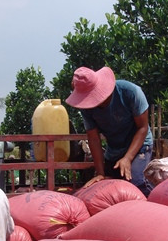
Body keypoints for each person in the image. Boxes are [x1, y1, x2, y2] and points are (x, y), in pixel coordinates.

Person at [65, 66, 153, 196]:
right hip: (114, 150)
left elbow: (142, 127)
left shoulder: (130, 92)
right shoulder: (86, 108)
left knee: (135, 182)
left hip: (139, 145)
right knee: (107, 187)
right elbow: (94, 138)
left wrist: (127, 158)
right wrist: (100, 173)